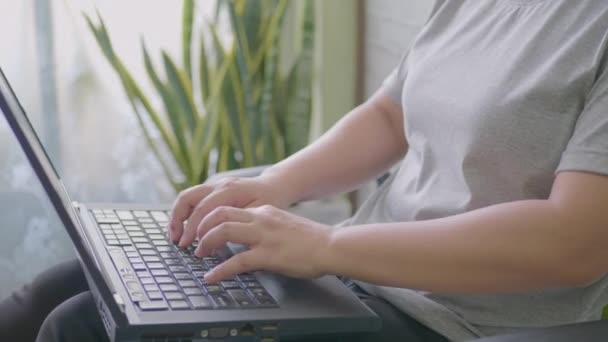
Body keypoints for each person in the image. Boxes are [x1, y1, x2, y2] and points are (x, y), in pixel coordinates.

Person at [3, 0, 608, 341]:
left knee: (78, 327)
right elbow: (390, 114)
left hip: (450, 320)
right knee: (64, 283)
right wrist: (276, 185)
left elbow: (577, 242)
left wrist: (328, 245)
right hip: (353, 275)